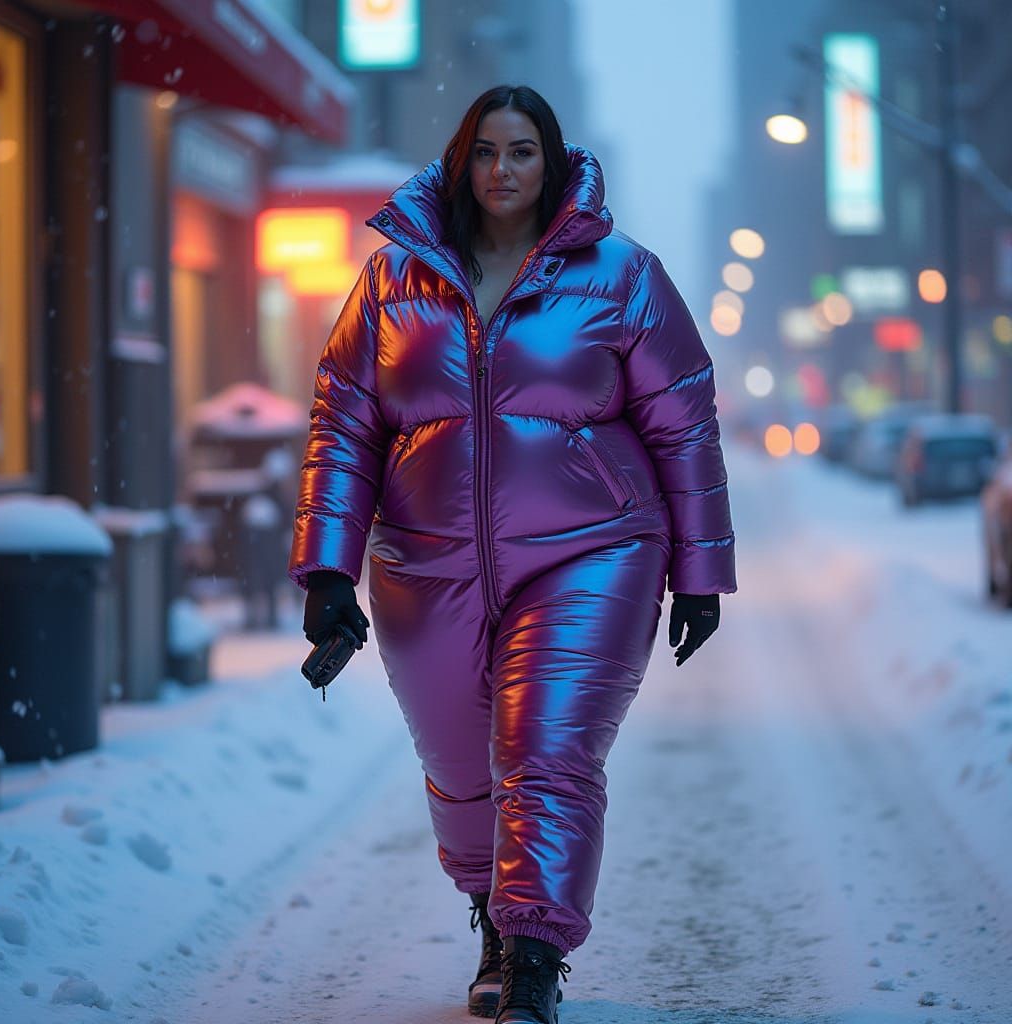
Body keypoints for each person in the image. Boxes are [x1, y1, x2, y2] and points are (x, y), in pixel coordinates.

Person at [289, 84, 736, 1024]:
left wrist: (698, 569)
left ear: (553, 161)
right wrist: (328, 568)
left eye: (522, 151)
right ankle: (492, 913)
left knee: (549, 751)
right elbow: (345, 423)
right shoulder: (392, 280)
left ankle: (532, 956)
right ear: (462, 162)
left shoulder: (623, 276)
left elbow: (684, 423)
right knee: (462, 766)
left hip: (595, 553)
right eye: (486, 152)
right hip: (423, 559)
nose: (503, 171)